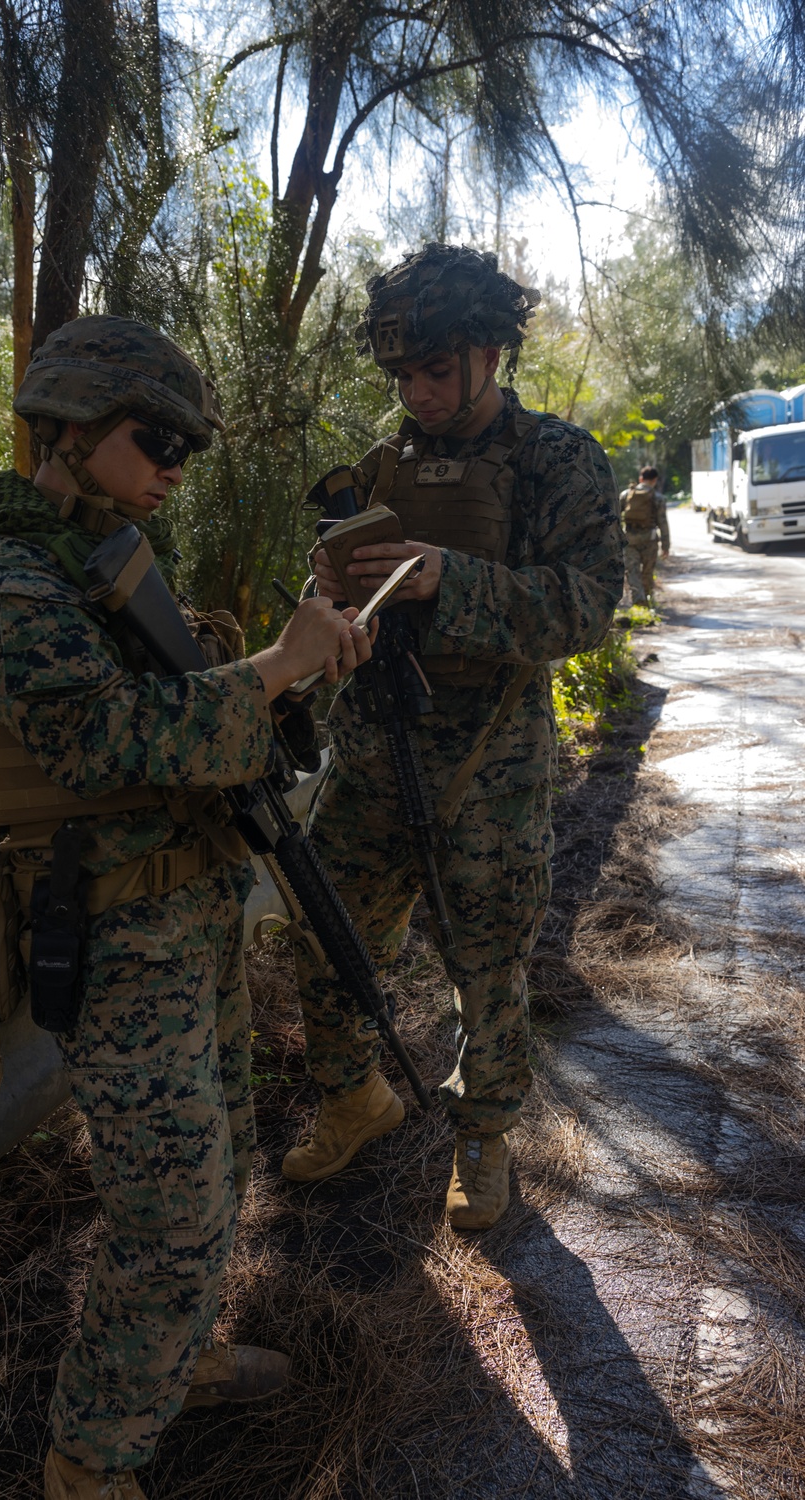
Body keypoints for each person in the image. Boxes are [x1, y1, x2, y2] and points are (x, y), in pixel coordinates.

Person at [0, 317, 373, 1500]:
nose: (177, 461)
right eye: (157, 436)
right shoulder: (6, 580)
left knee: (222, 1159)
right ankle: (88, 1460)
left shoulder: (109, 556)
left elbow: (187, 726)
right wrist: (272, 667)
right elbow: (96, 739)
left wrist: (290, 679)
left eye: (189, 442)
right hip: (115, 939)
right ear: (69, 432)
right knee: (171, 1212)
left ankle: (165, 1362)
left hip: (189, 918)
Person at [283, 244, 624, 1231]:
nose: (419, 393)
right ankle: (354, 1098)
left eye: (436, 371)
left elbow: (590, 608)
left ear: (487, 353)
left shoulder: (555, 460)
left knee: (487, 959)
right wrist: (331, 599)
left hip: (493, 763)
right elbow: (333, 601)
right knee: (329, 930)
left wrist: (449, 578)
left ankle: (483, 1136)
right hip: (378, 748)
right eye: (401, 376)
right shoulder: (384, 465)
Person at [621, 464, 670, 605]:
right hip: (650, 539)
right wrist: (666, 546)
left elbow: (616, 517)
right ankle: (647, 598)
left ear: (640, 478)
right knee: (647, 571)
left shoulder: (626, 494)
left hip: (629, 539)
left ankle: (638, 600)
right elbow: (663, 523)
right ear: (655, 480)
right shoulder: (658, 498)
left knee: (632, 571)